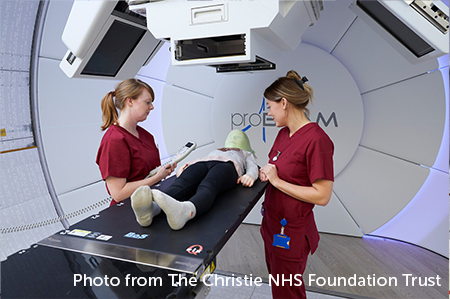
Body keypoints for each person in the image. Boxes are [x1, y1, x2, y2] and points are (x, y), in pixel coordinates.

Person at [259, 70, 334, 299]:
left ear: (284, 103)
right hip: (272, 226)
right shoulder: (283, 134)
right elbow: (277, 169)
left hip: (290, 232)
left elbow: (322, 196)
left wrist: (277, 181)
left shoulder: (317, 140)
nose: (268, 113)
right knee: (279, 288)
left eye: (269, 106)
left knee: (288, 293)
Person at [130, 129, 258, 230]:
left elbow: (253, 166)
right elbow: (204, 158)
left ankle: (186, 211)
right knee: (181, 183)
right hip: (202, 163)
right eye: (232, 135)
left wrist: (250, 175)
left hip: (228, 166)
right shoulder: (217, 149)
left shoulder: (246, 153)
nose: (234, 138)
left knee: (208, 185)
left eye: (238, 136)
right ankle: (153, 208)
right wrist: (184, 167)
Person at [96, 78, 175, 206]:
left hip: (151, 203)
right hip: (129, 211)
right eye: (148, 102)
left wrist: (163, 172)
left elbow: (146, 174)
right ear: (130, 101)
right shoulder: (114, 140)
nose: (152, 107)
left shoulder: (146, 136)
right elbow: (118, 193)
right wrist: (157, 177)